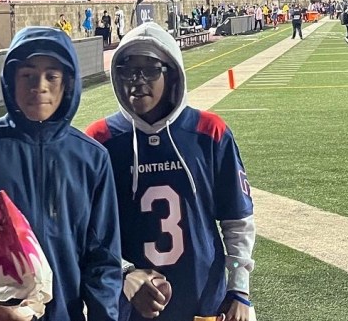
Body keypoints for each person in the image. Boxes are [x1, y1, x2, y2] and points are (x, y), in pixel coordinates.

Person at [0, 28, 121, 321]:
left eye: (51, 76)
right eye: (27, 75)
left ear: (68, 84)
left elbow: (103, 259)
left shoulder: (92, 158)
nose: (39, 86)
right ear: (10, 81)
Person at [86, 23, 256, 321]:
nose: (137, 81)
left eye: (150, 70)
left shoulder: (209, 132)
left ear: (172, 72)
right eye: (127, 70)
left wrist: (239, 288)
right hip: (129, 307)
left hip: (203, 302)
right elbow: (88, 232)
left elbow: (237, 220)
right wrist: (124, 273)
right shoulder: (100, 140)